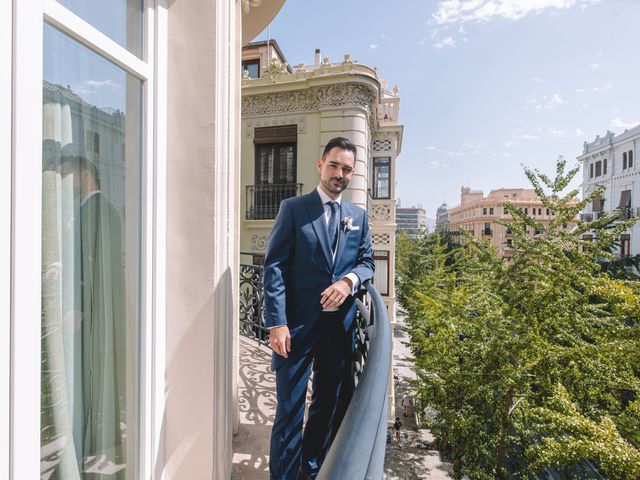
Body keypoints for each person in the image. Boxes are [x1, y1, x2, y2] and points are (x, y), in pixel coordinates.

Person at [264, 137, 375, 480]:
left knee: (326, 405)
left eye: (346, 169)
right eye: (334, 165)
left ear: (352, 174)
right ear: (320, 165)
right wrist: (277, 323)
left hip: (337, 331)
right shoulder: (294, 209)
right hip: (294, 329)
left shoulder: (358, 216)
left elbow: (367, 263)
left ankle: (309, 470)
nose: (339, 174)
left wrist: (348, 283)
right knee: (289, 411)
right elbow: (275, 266)